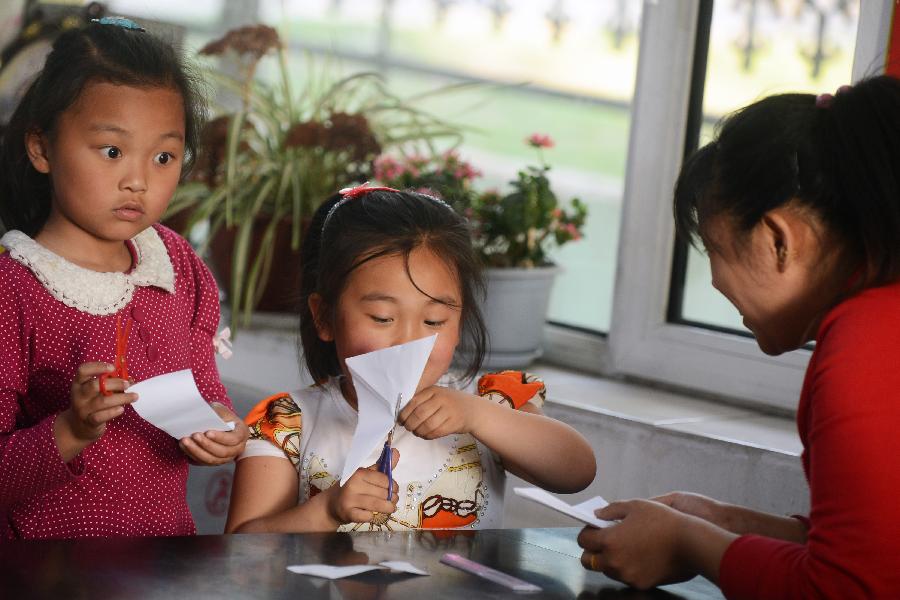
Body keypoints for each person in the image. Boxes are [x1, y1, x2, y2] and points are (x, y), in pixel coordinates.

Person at [577, 76, 900, 597]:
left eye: (716, 251)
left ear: (778, 240)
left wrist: (686, 540)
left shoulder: (866, 342)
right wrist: (722, 522)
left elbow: (844, 590)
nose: (716, 282)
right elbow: (877, 555)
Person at [0, 19, 249, 539]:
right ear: (42, 148)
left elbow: (204, 391)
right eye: (112, 151)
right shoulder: (14, 290)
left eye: (164, 157)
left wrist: (222, 430)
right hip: (49, 575)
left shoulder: (177, 264)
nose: (138, 179)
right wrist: (71, 429)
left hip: (163, 564)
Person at [225, 185, 596, 533]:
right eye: (383, 318)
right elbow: (240, 552)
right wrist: (326, 511)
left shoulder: (488, 403)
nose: (409, 340)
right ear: (324, 317)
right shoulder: (288, 423)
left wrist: (479, 416)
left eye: (434, 321)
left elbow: (576, 471)